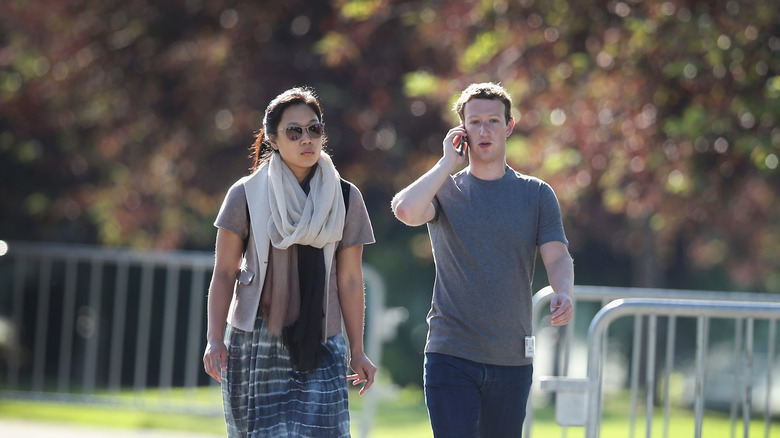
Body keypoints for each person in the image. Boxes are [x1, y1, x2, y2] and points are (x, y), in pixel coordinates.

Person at [391, 82, 574, 437]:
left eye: (493, 120)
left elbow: (557, 254)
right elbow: (405, 210)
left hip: (511, 358)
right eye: (475, 122)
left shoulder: (536, 194)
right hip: (450, 353)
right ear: (461, 130)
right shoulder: (445, 189)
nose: (485, 130)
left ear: (509, 126)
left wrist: (563, 290)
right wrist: (446, 163)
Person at [203, 86, 376, 437]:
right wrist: (214, 338)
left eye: (314, 129)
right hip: (257, 340)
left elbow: (351, 280)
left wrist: (358, 350)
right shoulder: (245, 193)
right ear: (272, 138)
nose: (306, 139)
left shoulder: (345, 195)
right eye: (293, 132)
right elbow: (224, 272)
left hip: (323, 338)